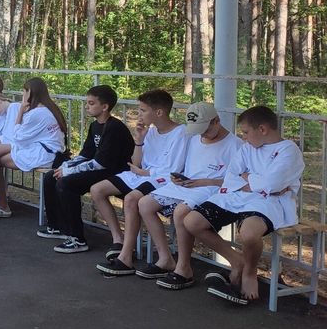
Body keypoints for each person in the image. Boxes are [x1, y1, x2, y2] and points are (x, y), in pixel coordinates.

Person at [185, 106, 305, 305]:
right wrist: (258, 182)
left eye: (246, 132)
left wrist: (248, 177)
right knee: (192, 221)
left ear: (262, 129)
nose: (243, 137)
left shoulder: (288, 150)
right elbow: (232, 176)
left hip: (270, 202)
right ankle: (236, 260)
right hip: (238, 196)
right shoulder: (248, 147)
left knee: (248, 234)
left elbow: (274, 184)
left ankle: (249, 271)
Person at [115, 103, 240, 286]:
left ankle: (184, 267)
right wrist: (177, 178)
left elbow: (235, 181)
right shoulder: (194, 139)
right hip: (187, 184)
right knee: (145, 204)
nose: (202, 134)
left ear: (216, 121)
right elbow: (183, 167)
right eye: (198, 130)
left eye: (205, 129)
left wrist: (203, 182)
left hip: (211, 189)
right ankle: (165, 258)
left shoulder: (235, 145)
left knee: (181, 211)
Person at [89, 89, 189, 261]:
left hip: (162, 179)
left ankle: (126, 254)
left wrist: (145, 172)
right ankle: (118, 238)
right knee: (97, 190)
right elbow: (136, 163)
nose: (139, 115)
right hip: (141, 175)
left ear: (159, 112)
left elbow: (173, 168)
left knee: (131, 199)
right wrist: (139, 140)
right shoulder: (151, 131)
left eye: (143, 110)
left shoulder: (181, 133)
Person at [41, 85, 134, 253]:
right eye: (87, 103)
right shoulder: (94, 126)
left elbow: (101, 163)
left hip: (115, 172)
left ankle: (77, 238)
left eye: (91, 103)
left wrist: (69, 172)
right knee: (51, 176)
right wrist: (65, 166)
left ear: (104, 107)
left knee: (66, 183)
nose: (86, 107)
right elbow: (86, 154)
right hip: (101, 170)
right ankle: (57, 226)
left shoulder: (114, 127)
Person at [0, 78, 68, 218]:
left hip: (44, 153)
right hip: (41, 149)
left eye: (24, 91)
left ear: (30, 92)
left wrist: (20, 112)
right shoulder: (47, 108)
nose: (22, 94)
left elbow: (17, 137)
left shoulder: (38, 113)